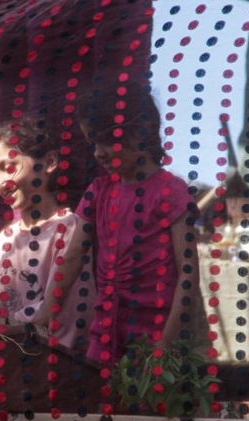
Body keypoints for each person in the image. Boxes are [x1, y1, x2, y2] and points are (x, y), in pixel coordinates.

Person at [75, 82, 203, 365]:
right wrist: (44, 316)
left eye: (106, 140)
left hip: (153, 343)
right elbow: (69, 259)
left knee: (142, 407)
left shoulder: (171, 192)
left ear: (141, 133)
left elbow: (188, 275)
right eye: (92, 143)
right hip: (103, 340)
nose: (98, 152)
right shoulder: (98, 191)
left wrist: (164, 348)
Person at [0, 118, 95, 351]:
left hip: (47, 359)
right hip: (4, 359)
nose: (0, 183)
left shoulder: (69, 228)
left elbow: (64, 312)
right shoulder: (5, 239)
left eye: (9, 167)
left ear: (49, 162)